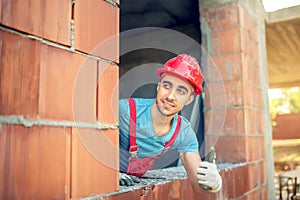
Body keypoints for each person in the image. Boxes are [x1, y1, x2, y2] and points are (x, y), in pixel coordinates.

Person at [119, 54, 222, 193]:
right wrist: (108, 174)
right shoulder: (125, 110)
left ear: (189, 99)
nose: (170, 96)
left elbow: (199, 187)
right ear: (158, 87)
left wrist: (212, 184)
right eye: (167, 86)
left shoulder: (183, 133)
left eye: (181, 91)